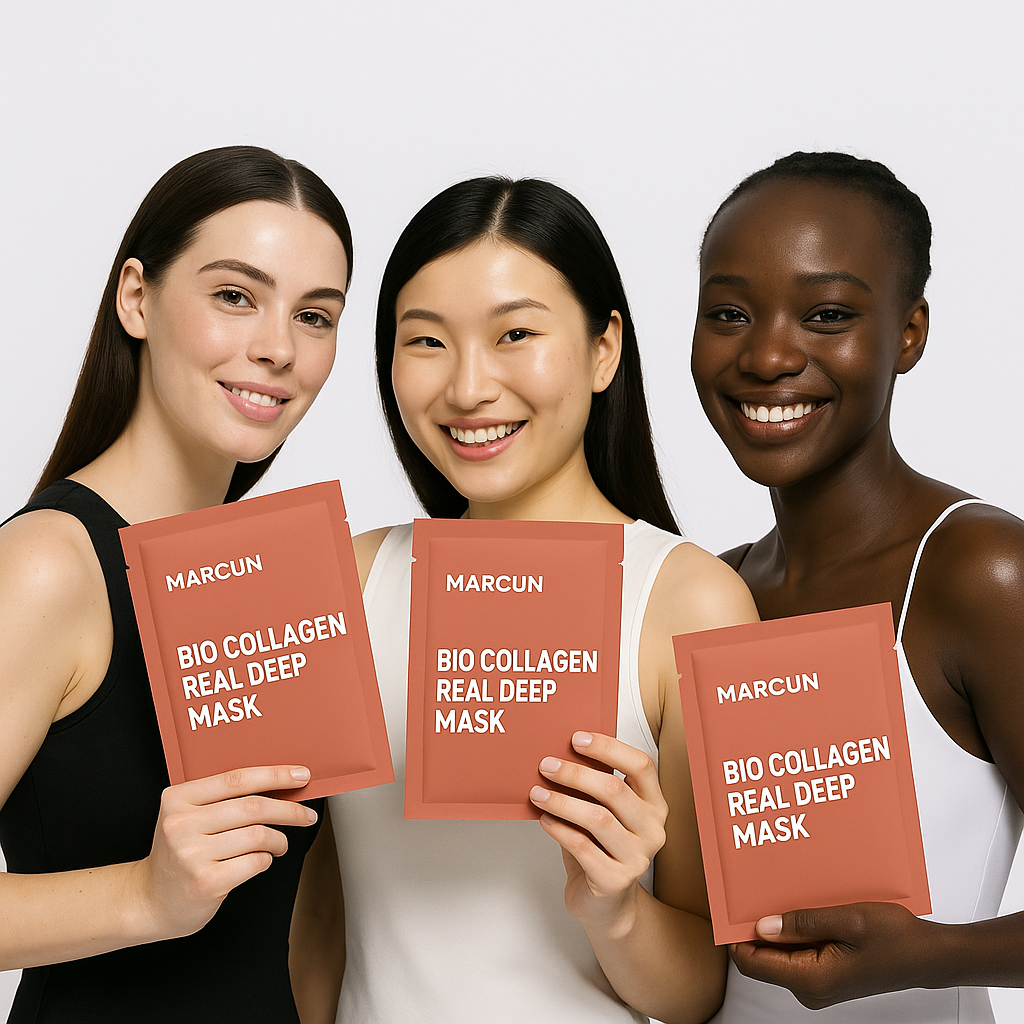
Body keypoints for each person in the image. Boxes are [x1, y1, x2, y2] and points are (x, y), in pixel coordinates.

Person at [289, 176, 758, 1024]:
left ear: (604, 349)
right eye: (426, 341)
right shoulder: (347, 580)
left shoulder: (690, 602)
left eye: (515, 334)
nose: (469, 388)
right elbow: (322, 910)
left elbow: (700, 989)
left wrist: (614, 907)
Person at [0, 145, 353, 1023]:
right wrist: (145, 896)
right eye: (235, 296)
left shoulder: (281, 576)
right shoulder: (51, 564)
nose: (278, 348)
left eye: (314, 316)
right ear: (137, 298)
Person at [690, 151, 1024, 1022]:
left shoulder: (979, 572)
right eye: (730, 313)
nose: (767, 354)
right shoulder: (714, 589)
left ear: (909, 333)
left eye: (827, 315)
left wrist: (933, 956)